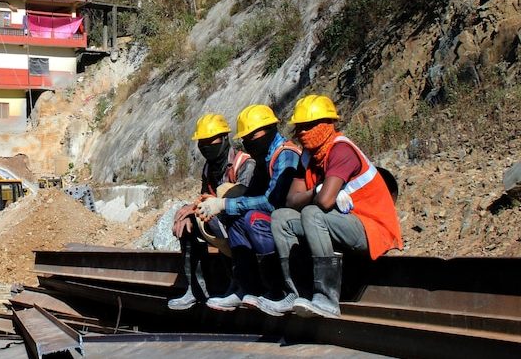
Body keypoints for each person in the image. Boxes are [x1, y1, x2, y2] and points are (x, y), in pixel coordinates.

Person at [265, 95, 403, 318]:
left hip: (371, 228)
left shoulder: (341, 150)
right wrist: (317, 190)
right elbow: (291, 200)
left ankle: (327, 298)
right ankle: (297, 293)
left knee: (312, 213)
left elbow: (325, 201)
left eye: (309, 126)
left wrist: (318, 194)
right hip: (340, 222)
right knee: (281, 217)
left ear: (327, 125)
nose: (302, 132)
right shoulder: (309, 156)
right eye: (300, 127)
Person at [209, 104, 302, 313]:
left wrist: (224, 203)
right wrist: (223, 206)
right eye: (246, 137)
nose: (249, 141)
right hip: (276, 220)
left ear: (269, 129)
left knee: (252, 219)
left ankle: (278, 289)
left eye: (253, 135)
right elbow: (251, 194)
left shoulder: (285, 154)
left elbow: (272, 201)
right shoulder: (264, 156)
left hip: (289, 222)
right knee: (235, 217)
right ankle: (247, 286)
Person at [168, 114, 255, 310]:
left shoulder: (244, 163)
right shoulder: (209, 167)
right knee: (188, 225)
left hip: (239, 222)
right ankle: (195, 289)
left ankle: (238, 285)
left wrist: (204, 207)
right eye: (202, 142)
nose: (206, 145)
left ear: (224, 138)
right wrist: (189, 212)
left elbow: (243, 199)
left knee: (223, 223)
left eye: (211, 140)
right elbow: (204, 196)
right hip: (217, 219)